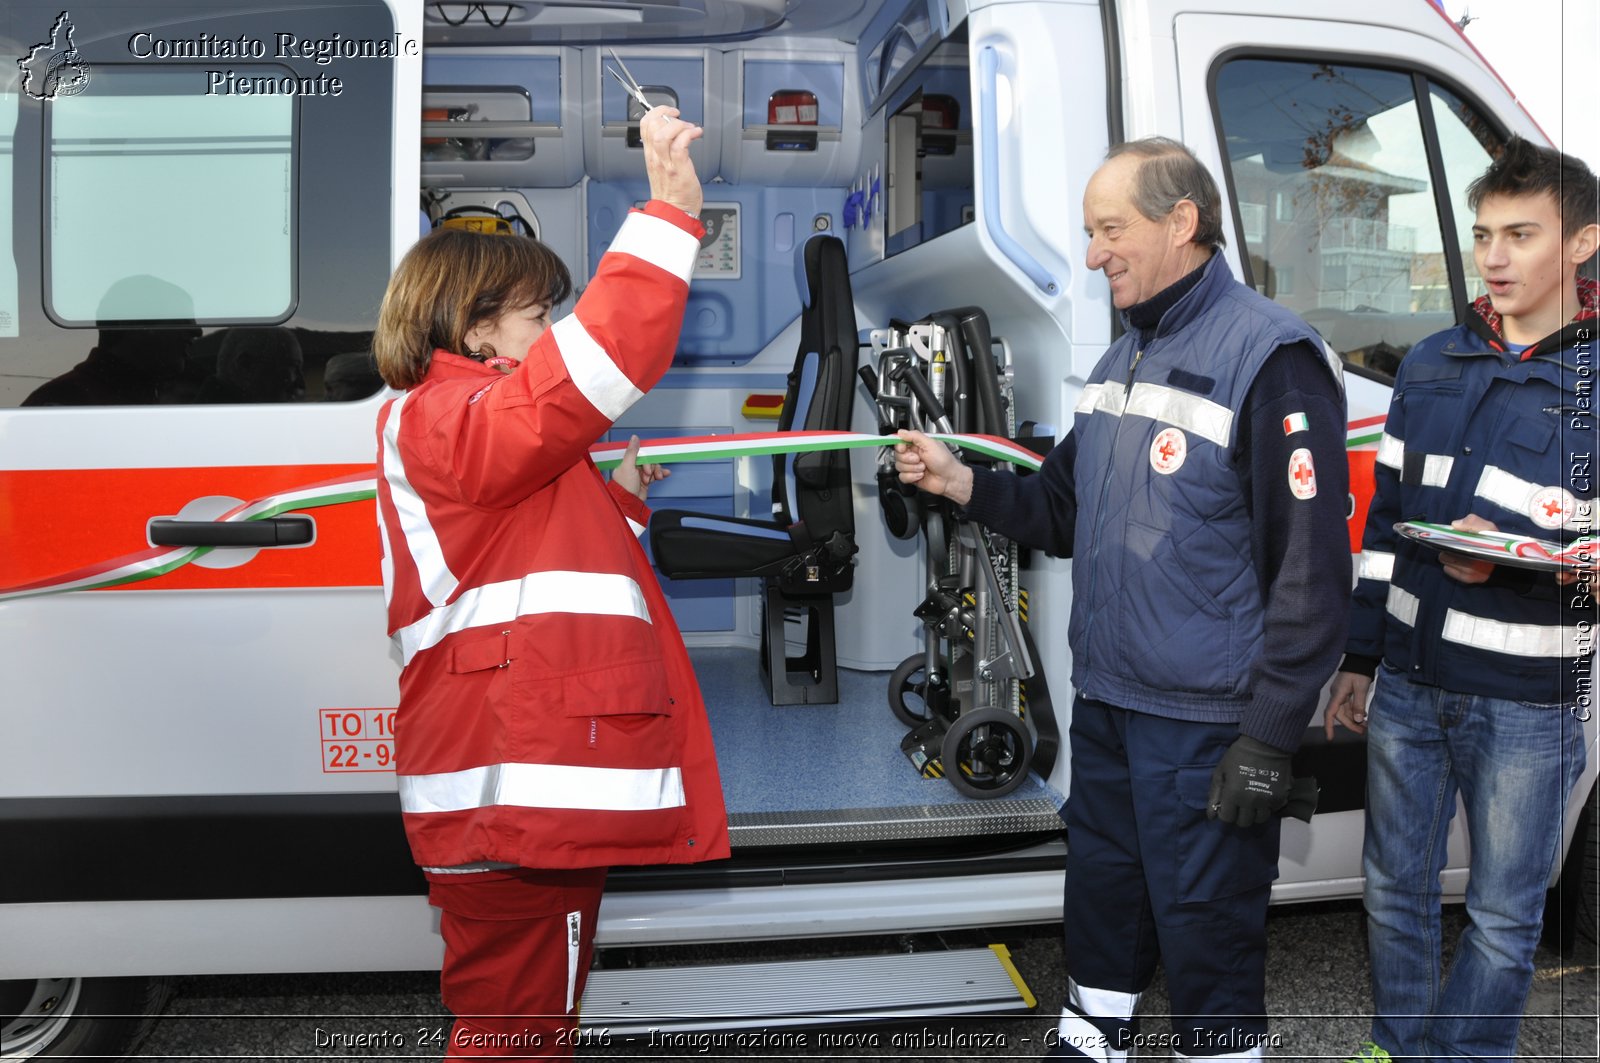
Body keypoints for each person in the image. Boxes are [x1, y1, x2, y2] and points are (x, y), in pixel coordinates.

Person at [895, 137, 1350, 1060]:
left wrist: (1268, 735)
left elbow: (1310, 574)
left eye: (1112, 229)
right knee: (1104, 889)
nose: (1096, 252)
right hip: (1110, 701)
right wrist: (959, 482)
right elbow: (1061, 509)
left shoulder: (1272, 358)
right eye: (1091, 231)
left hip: (1205, 718)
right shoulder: (1120, 357)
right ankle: (1094, 1032)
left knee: (1205, 920)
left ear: (1181, 222)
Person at [371, 104, 729, 1059]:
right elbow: (593, 369)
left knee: (521, 1024)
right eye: (539, 316)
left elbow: (528, 551)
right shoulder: (444, 414)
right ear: (480, 326)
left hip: (512, 796)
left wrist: (616, 495)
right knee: (519, 1036)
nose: (554, 331)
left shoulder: (463, 421)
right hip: (509, 800)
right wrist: (666, 216)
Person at [1325, 137, 1598, 1063]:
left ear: (1584, 244)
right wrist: (1360, 659)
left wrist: (1521, 567)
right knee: (1393, 891)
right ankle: (1400, 1049)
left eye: (1523, 234)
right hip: (1406, 683)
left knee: (1501, 915)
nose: (1495, 256)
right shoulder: (1433, 362)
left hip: (1529, 704)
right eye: (1485, 234)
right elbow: (1385, 523)